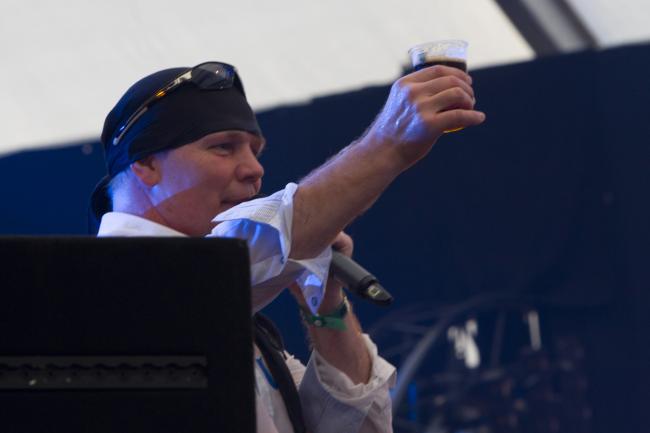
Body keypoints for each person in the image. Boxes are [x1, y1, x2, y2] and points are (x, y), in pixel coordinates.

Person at [89, 61, 484, 433]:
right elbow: (244, 248)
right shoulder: (112, 283)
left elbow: (357, 427)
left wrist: (326, 305)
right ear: (146, 164)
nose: (254, 169)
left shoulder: (240, 322)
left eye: (254, 151)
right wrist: (389, 142)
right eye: (223, 147)